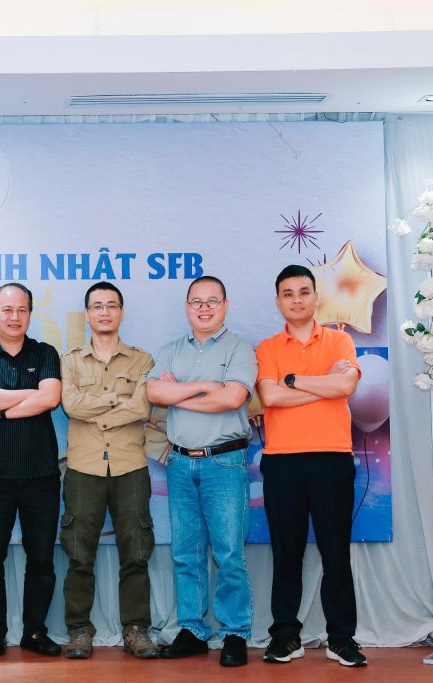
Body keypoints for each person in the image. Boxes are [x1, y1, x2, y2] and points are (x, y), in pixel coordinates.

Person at [255, 264, 366, 668]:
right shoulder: (268, 347)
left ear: (316, 297)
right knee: (287, 554)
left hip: (332, 458)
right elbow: (270, 397)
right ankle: (285, 636)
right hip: (282, 461)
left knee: (335, 552)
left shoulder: (340, 340)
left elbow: (346, 385)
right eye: (288, 293)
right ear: (278, 301)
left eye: (304, 292)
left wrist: (292, 380)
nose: (297, 299)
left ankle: (342, 638)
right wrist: (321, 385)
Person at [146, 275, 255, 667]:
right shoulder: (171, 350)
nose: (204, 308)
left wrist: (181, 392)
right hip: (179, 462)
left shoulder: (239, 348)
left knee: (229, 553)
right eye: (197, 301)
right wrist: (207, 386)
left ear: (225, 305)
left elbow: (233, 399)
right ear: (187, 306)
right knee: (186, 552)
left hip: (224, 462)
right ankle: (192, 629)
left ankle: (235, 632)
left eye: (212, 301)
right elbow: (154, 393)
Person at [60, 281, 160, 660]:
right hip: (83, 468)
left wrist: (97, 410)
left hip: (129, 467)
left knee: (136, 553)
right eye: (97, 306)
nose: (104, 312)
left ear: (121, 312)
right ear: (87, 315)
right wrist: (116, 399)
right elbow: (71, 406)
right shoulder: (70, 361)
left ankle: (136, 630)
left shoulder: (142, 360)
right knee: (78, 554)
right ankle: (79, 631)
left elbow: (142, 408)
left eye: (111, 305)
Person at [0, 282, 62, 658]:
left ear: (30, 313)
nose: (14, 317)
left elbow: (51, 398)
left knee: (42, 559)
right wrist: (31, 395)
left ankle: (34, 632)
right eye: (7, 310)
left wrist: (3, 408)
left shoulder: (45, 352)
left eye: (22, 310)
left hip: (41, 474)